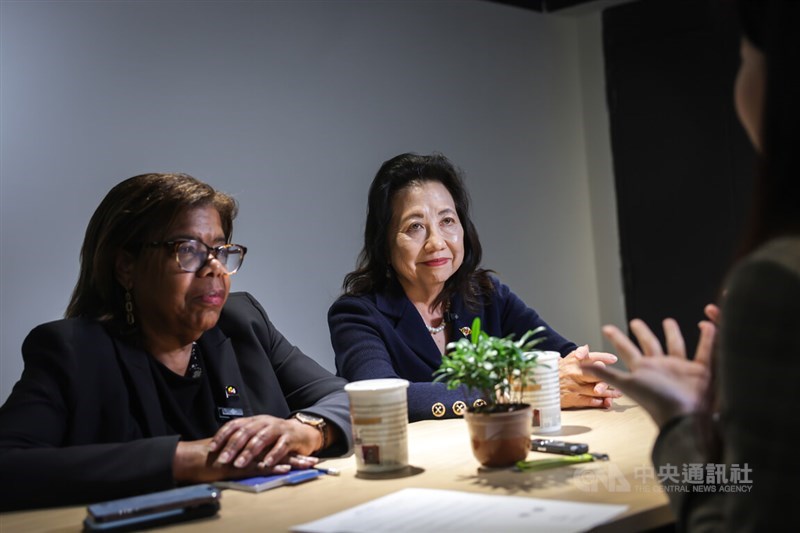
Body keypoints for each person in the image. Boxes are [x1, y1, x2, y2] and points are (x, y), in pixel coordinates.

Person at [0, 173, 352, 511]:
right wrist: (189, 458)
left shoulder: (243, 322)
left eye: (220, 250)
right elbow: (9, 465)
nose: (214, 267)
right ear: (126, 266)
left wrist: (306, 430)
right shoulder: (73, 351)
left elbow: (351, 398)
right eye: (189, 250)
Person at [582, 1, 800, 529]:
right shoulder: (361, 308)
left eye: (744, 58)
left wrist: (681, 422)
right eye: (415, 225)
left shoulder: (776, 281)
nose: (436, 238)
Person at [328, 152, 621, 422]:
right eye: (415, 226)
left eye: (447, 221)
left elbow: (564, 359)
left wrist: (586, 376)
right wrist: (517, 391)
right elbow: (382, 401)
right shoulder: (356, 315)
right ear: (384, 242)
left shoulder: (486, 295)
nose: (437, 243)